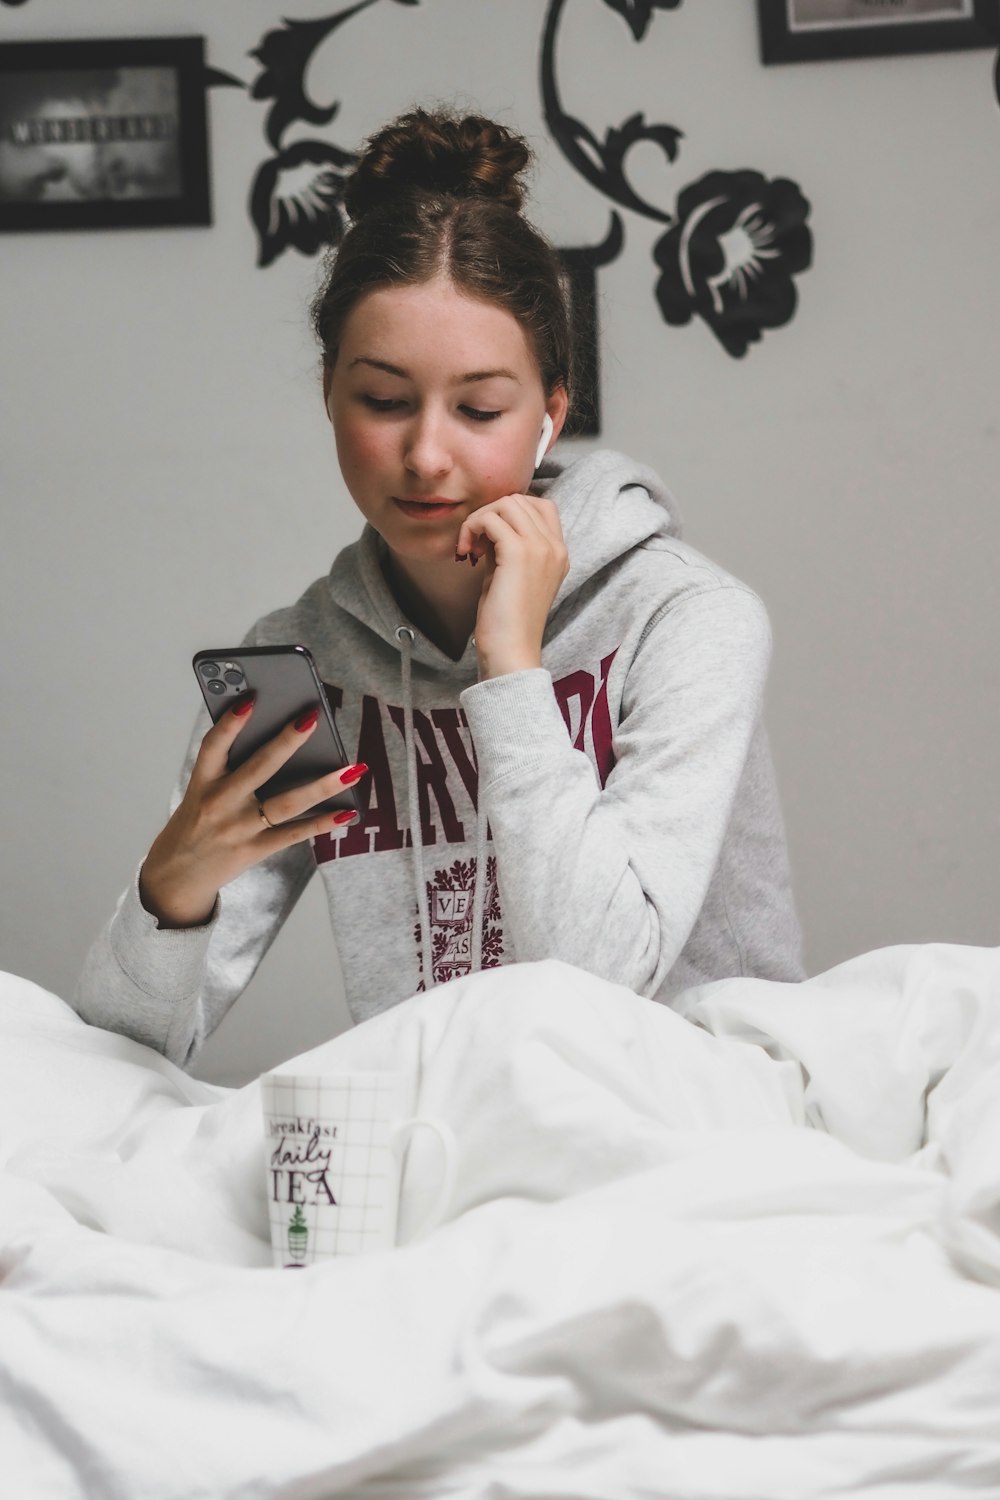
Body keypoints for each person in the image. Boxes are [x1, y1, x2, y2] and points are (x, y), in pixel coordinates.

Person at [74, 106, 805, 1069]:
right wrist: (176, 884)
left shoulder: (686, 621)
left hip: (688, 1146)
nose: (425, 455)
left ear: (550, 414)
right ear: (329, 393)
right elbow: (112, 1061)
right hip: (448, 1157)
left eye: (478, 408)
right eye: (382, 401)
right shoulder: (305, 670)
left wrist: (511, 671)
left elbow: (604, 980)